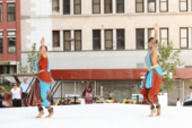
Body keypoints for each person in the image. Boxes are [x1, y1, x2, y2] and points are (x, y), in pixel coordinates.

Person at [140, 24, 164, 117]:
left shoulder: (154, 49)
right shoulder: (148, 52)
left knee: (152, 94)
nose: (151, 42)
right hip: (150, 73)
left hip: (156, 72)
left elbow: (155, 41)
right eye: (149, 41)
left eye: (152, 41)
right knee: (145, 92)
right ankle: (153, 108)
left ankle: (157, 107)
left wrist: (156, 32)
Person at [27, 37, 53, 118]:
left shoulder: (45, 58)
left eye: (42, 49)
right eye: (40, 49)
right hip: (38, 79)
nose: (41, 50)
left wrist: (43, 43)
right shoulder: (38, 60)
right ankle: (41, 111)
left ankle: (50, 110)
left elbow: (46, 70)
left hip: (44, 79)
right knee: (35, 95)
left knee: (42, 96)